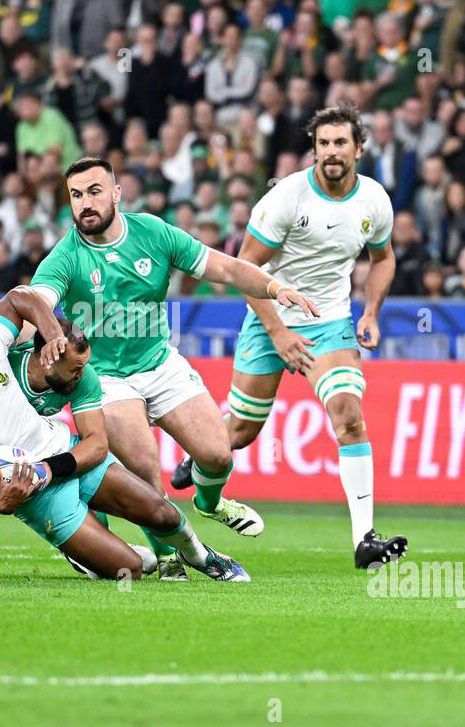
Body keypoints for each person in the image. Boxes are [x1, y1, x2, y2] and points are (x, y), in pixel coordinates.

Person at [28, 157, 319, 578]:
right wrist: (40, 330)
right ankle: (170, 556)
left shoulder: (152, 232)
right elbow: (38, 300)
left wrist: (275, 287)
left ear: (116, 193)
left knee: (218, 454)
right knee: (145, 470)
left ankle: (210, 502)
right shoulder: (65, 257)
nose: (85, 203)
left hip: (160, 363)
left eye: (94, 191)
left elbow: (224, 267)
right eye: (76, 196)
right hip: (105, 378)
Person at [173, 103, 407, 569]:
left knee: (350, 417)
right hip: (267, 319)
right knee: (236, 435)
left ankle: (364, 540)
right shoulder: (287, 198)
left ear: (359, 149)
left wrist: (372, 312)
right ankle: (201, 475)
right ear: (314, 150)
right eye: (323, 144)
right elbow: (243, 271)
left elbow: (383, 258)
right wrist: (278, 332)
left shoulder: (374, 200)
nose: (331, 152)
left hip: (329, 321)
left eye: (341, 142)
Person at [0, 290, 249, 582]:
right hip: (39, 501)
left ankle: (201, 556)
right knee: (130, 570)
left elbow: (97, 445)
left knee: (163, 513)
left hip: (66, 456)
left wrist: (48, 469)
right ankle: (90, 552)